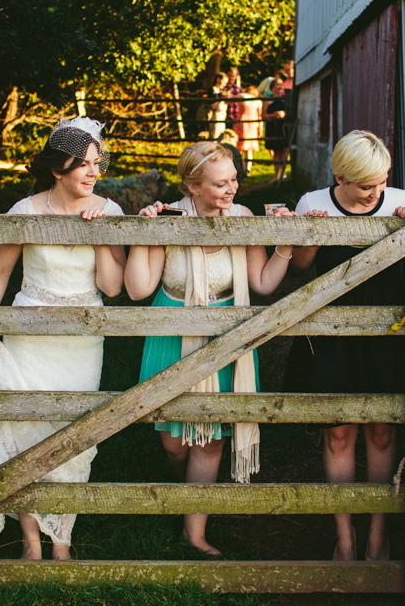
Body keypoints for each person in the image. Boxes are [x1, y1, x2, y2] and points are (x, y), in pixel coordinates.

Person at [0, 117, 127, 561]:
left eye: (97, 163)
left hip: (82, 340)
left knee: (73, 436)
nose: (93, 173)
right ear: (57, 169)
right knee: (24, 430)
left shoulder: (108, 211)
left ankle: (63, 543)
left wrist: (104, 236)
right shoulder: (25, 211)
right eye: (83, 165)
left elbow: (112, 289)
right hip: (28, 337)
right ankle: (32, 543)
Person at [124, 141, 296, 555]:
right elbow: (137, 290)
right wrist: (143, 233)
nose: (232, 188)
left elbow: (263, 284)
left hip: (226, 333)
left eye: (234, 178)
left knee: (212, 438)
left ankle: (194, 531)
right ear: (192, 186)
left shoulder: (243, 218)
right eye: (221, 183)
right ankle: (185, 491)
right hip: (171, 330)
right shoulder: (168, 218)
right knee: (174, 440)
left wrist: (286, 244)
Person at [284, 130, 405, 563]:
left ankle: (378, 534)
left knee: (382, 429)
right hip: (331, 325)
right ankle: (344, 536)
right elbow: (299, 268)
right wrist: (312, 234)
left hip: (385, 327)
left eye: (380, 181)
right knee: (338, 432)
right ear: (339, 176)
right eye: (364, 186)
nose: (374, 192)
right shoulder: (312, 202)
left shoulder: (398, 198)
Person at [263, 80, 289, 182]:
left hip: (283, 127)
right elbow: (263, 116)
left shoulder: (286, 99)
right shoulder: (268, 100)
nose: (280, 87)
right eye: (277, 85)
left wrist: (284, 114)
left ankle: (284, 174)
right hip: (273, 128)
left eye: (281, 85)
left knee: (284, 151)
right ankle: (276, 175)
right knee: (276, 152)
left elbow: (291, 113)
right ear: (272, 88)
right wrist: (273, 115)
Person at [233, 86, 263, 174]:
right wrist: (260, 129)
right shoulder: (258, 102)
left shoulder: (243, 98)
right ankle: (247, 169)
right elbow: (259, 116)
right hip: (253, 124)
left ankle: (239, 168)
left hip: (242, 123)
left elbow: (236, 97)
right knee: (248, 149)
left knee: (239, 146)